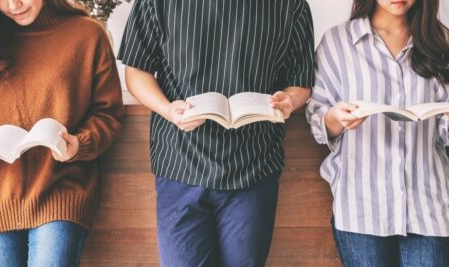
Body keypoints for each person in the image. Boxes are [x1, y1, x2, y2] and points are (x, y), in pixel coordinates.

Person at [118, 0, 314, 266]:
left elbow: (300, 81)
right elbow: (136, 70)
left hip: (254, 166)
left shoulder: (291, 5)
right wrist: (167, 109)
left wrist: (290, 99)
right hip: (180, 164)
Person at [0, 0, 123, 265]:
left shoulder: (88, 35)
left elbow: (107, 113)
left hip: (61, 189)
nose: (14, 4)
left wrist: (79, 144)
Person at [306, 0, 449, 266]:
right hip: (361, 207)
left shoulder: (440, 42)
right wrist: (336, 118)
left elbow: (443, 137)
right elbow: (317, 118)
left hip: (429, 208)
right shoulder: (337, 43)